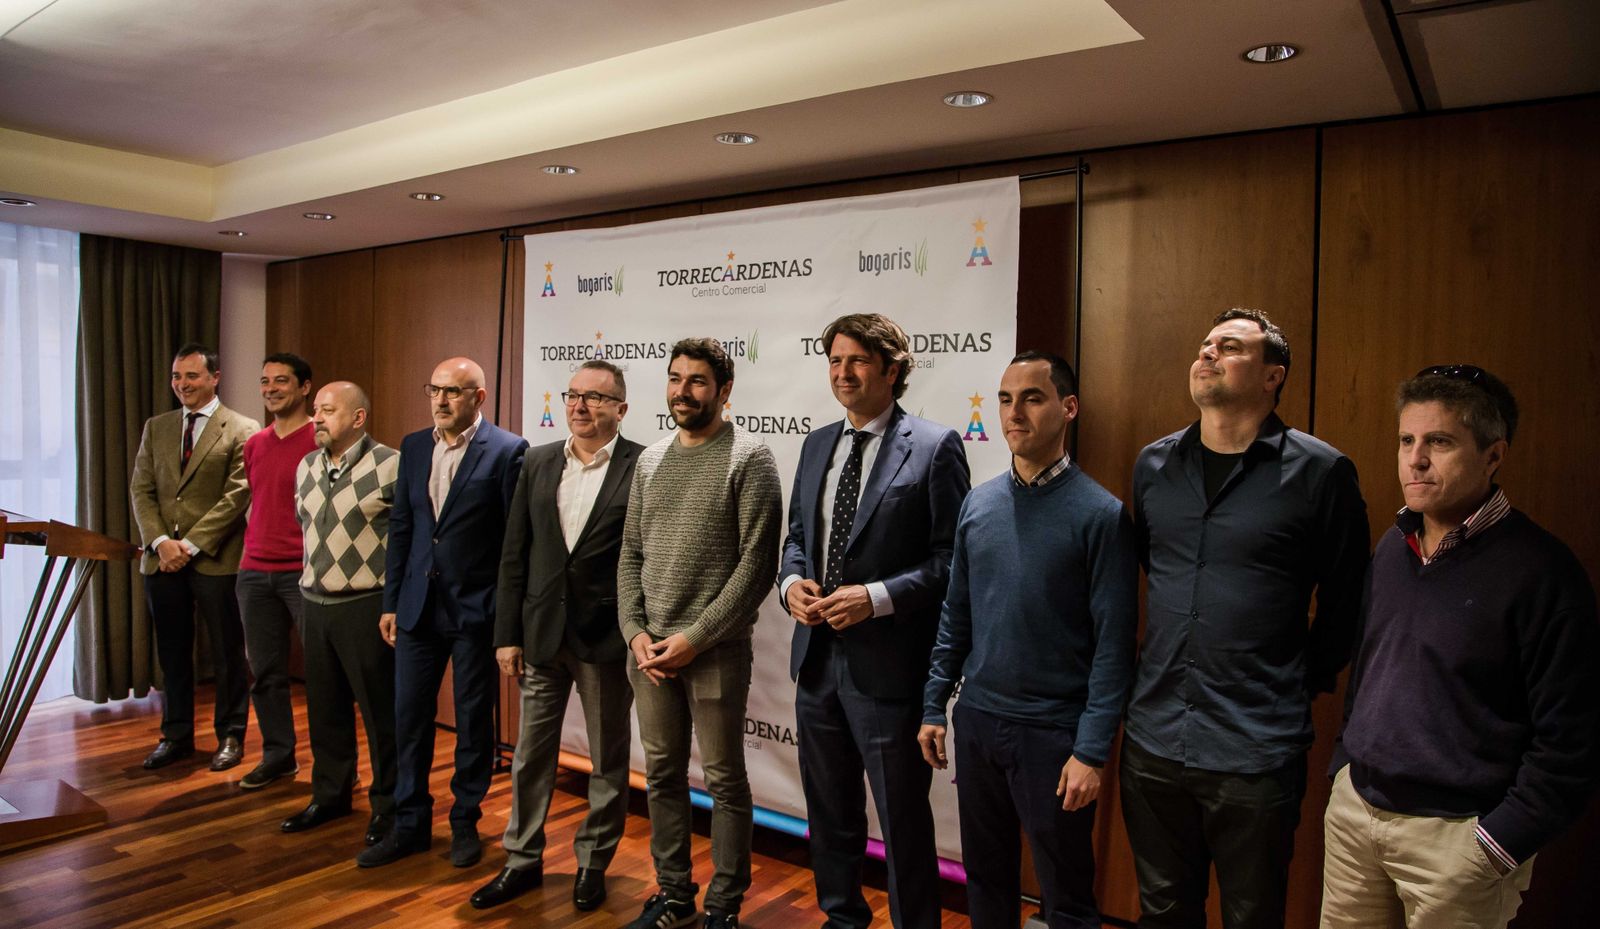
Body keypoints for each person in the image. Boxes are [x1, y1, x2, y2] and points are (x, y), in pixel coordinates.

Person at [1320, 365, 1600, 929]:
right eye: (1406, 441)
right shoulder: (1392, 548)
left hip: (1457, 840)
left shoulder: (1542, 571)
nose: (1415, 460)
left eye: (1439, 442)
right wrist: (1344, 770)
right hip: (1358, 818)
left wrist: (1496, 844)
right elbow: (1371, 670)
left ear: (1493, 456)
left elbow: (1573, 740)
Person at [1120, 310, 1370, 929]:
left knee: (1252, 915)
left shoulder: (1321, 473)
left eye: (1228, 347)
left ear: (1271, 376)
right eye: (1204, 345)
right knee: (1163, 911)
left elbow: (1347, 602)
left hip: (1255, 747)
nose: (1207, 354)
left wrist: (1296, 679)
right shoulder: (1154, 466)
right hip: (1153, 741)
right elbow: (1147, 574)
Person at [920, 352, 1137, 929]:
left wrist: (1091, 750)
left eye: (1032, 398)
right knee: (987, 882)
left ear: (1068, 409)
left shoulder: (1102, 515)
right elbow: (955, 614)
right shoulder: (979, 502)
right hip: (981, 720)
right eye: (1006, 399)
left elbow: (1115, 646)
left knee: (1066, 894)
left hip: (1054, 734)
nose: (1015, 412)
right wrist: (934, 704)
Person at [780, 313, 968, 929]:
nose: (842, 373)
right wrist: (791, 586)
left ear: (892, 369)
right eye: (834, 360)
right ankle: (842, 919)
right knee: (829, 816)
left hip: (890, 670)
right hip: (816, 663)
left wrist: (877, 596)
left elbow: (951, 562)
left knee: (903, 823)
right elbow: (798, 539)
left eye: (857, 361)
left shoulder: (937, 446)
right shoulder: (815, 444)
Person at [616, 338, 783, 929]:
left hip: (714, 653)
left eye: (696, 381)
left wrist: (695, 638)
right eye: (674, 379)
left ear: (724, 391)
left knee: (724, 782)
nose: (682, 392)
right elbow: (630, 553)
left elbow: (756, 568)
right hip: (650, 656)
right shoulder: (651, 460)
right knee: (661, 776)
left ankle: (724, 907)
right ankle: (675, 896)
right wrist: (635, 632)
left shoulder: (749, 457)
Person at [470, 360, 642, 912]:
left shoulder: (644, 466)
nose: (579, 406)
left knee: (608, 759)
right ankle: (521, 859)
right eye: (572, 395)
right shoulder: (539, 460)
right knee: (530, 755)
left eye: (595, 398)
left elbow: (645, 558)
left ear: (620, 408)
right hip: (541, 634)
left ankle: (594, 861)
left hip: (607, 639)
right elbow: (513, 553)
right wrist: (506, 634)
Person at [358, 357, 528, 869]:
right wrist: (391, 601)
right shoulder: (413, 447)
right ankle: (409, 823)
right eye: (434, 390)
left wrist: (506, 620)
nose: (441, 400)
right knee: (409, 718)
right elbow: (404, 529)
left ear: (478, 397)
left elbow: (512, 542)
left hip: (475, 611)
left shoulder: (507, 450)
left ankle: (464, 823)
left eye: (453, 391)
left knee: (475, 723)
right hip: (416, 609)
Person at [282, 381, 401, 849]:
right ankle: (330, 795)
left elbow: (407, 539)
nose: (316, 419)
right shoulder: (306, 466)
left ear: (357, 418)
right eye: (316, 411)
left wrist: (392, 603)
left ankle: (388, 807)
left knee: (380, 714)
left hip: (366, 606)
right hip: (314, 603)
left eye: (327, 411)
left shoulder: (391, 464)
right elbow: (306, 529)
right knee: (324, 709)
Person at [129, 343, 257, 772]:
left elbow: (238, 494)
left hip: (216, 560)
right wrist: (161, 541)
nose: (182, 385)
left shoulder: (242, 428)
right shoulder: (157, 427)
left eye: (192, 376)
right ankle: (176, 735)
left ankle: (231, 736)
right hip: (161, 560)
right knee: (172, 653)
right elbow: (141, 490)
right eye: (176, 377)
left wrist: (191, 545)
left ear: (214, 377)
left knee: (227, 653)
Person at [235, 352, 317, 790]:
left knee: (324, 674)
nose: (270, 389)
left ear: (304, 387)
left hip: (304, 573)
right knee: (265, 673)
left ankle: (332, 766)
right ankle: (278, 756)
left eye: (281, 381)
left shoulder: (319, 440)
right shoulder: (255, 443)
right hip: (253, 571)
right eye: (265, 381)